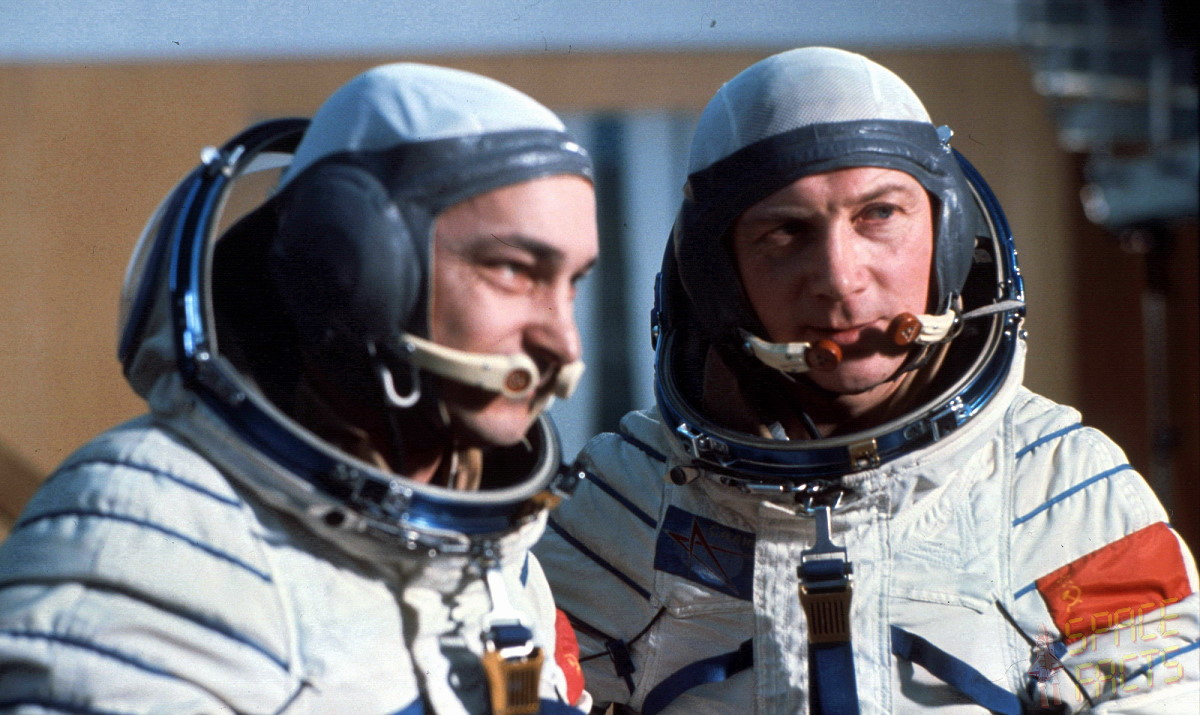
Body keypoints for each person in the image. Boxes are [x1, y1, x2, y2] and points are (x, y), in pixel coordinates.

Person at [534, 47, 1198, 713]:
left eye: (879, 214)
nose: (840, 278)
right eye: (785, 232)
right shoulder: (626, 506)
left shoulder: (1062, 492)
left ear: (948, 235)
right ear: (721, 278)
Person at [0, 63, 598, 714]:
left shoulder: (502, 560)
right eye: (514, 271)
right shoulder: (143, 543)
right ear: (357, 269)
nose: (566, 344)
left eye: (572, 283)